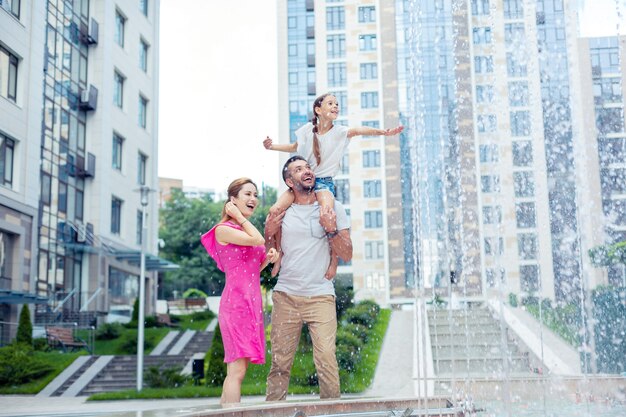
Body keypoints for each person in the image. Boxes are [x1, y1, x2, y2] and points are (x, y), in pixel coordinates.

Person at [263, 93, 402, 279]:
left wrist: (383, 133)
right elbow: (294, 147)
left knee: (328, 215)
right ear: (318, 110)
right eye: (330, 103)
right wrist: (272, 147)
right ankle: (278, 254)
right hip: (302, 181)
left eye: (337, 104)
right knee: (274, 211)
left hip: (324, 182)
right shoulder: (306, 130)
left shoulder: (340, 132)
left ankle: (333, 260)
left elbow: (360, 130)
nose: (336, 106)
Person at [264, 155, 353, 401]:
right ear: (289, 181)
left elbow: (347, 253)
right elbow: (269, 252)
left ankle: (332, 412)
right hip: (286, 296)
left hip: (321, 295)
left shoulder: (333, 208)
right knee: (280, 363)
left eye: (307, 167)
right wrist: (268, 234)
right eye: (298, 169)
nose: (307, 171)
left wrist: (331, 229)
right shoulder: (283, 211)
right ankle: (273, 412)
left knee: (326, 359)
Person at [200, 178, 279, 405]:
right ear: (232, 200)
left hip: (250, 304)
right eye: (247, 194)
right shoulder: (223, 230)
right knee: (236, 372)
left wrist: (267, 260)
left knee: (237, 372)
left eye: (255, 194)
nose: (253, 199)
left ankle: (223, 412)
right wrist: (240, 217)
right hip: (236, 304)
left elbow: (251, 269)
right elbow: (258, 239)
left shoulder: (241, 230)